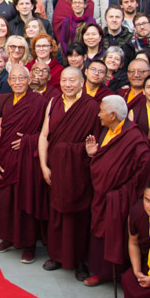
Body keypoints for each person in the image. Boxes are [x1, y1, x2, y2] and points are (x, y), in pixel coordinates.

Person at [84, 94, 150, 287]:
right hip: (102, 194)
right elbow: (106, 160)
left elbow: (144, 168)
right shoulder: (107, 131)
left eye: (102, 111)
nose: (99, 115)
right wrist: (93, 156)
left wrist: (122, 192)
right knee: (99, 232)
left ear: (113, 115)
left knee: (117, 234)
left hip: (120, 196)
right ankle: (101, 272)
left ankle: (117, 274)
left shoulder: (134, 137)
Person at [39, 67, 100, 279]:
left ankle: (80, 260)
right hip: (55, 166)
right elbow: (44, 135)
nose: (68, 84)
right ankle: (56, 255)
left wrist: (91, 153)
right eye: (64, 80)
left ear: (82, 82)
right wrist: (43, 165)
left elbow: (97, 140)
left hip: (79, 168)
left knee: (80, 215)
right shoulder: (54, 102)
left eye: (72, 80)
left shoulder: (92, 107)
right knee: (56, 212)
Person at [0, 64, 47, 263]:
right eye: (14, 78)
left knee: (25, 198)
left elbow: (46, 133)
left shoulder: (38, 101)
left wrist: (28, 140)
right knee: (5, 199)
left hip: (28, 160)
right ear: (8, 81)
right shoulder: (4, 100)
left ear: (29, 80)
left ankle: (28, 244)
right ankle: (8, 238)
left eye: (22, 78)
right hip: (6, 156)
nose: (18, 82)